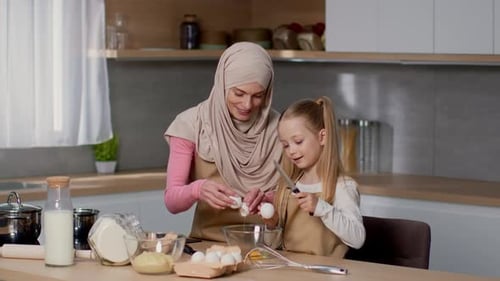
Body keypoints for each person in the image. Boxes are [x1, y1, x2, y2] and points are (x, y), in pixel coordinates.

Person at [163, 42, 282, 242]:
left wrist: (270, 199)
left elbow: (297, 196)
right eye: (239, 93)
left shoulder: (281, 128)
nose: (247, 105)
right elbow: (172, 202)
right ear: (222, 83)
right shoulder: (190, 124)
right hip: (208, 244)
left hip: (266, 248)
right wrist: (197, 189)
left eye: (258, 96)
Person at [264, 96, 365, 257]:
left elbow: (357, 238)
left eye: (298, 141)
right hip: (290, 271)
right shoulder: (286, 187)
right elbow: (273, 246)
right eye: (285, 145)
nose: (291, 151)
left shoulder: (342, 186)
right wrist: (271, 225)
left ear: (322, 137)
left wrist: (321, 207)